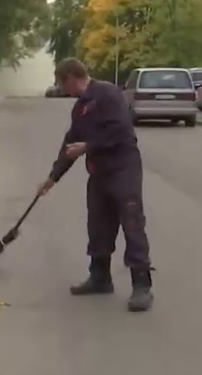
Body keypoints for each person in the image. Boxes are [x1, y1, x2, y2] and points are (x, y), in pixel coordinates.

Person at [38, 58, 154, 312]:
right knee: (98, 225)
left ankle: (142, 286)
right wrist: (52, 177)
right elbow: (70, 144)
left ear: (71, 77)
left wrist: (88, 147)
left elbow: (122, 131)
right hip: (99, 174)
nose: (61, 88)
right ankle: (100, 278)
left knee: (132, 223)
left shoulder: (108, 94)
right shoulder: (79, 108)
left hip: (124, 169)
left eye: (61, 82)